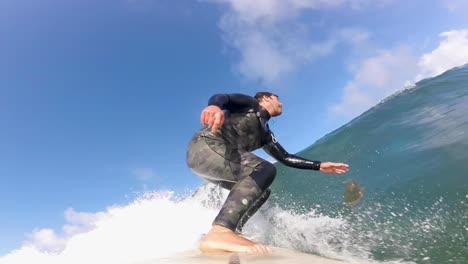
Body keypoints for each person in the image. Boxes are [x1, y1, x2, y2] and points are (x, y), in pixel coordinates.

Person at [186, 92, 349, 254]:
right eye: (278, 99)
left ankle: (232, 232)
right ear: (265, 99)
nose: (281, 104)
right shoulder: (251, 104)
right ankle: (220, 232)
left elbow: (285, 157)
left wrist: (319, 165)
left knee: (261, 190)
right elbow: (224, 98)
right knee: (263, 168)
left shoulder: (265, 134)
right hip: (206, 146)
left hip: (210, 159)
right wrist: (214, 106)